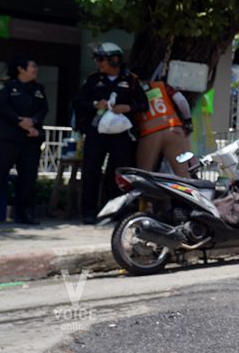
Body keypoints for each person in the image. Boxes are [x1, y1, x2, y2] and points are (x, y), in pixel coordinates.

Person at [73, 42, 148, 224]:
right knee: (91, 171)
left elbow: (144, 105)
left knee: (119, 173)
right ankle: (89, 212)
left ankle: (117, 211)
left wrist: (127, 107)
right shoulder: (93, 80)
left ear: (115, 60)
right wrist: (94, 105)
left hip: (121, 135)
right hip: (96, 133)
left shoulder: (130, 81)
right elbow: (78, 102)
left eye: (102, 59)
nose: (99, 63)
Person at [0, 55, 47, 226]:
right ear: (21, 69)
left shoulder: (38, 88)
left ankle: (26, 214)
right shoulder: (6, 86)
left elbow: (43, 109)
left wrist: (33, 123)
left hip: (30, 139)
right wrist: (19, 121)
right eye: (32, 66)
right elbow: (2, 106)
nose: (36, 69)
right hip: (5, 138)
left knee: (28, 178)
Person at [134, 75, 192, 177]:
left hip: (150, 132)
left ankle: (149, 193)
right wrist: (188, 120)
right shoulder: (162, 86)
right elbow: (181, 100)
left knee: (143, 175)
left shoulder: (133, 90)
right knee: (183, 173)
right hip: (173, 129)